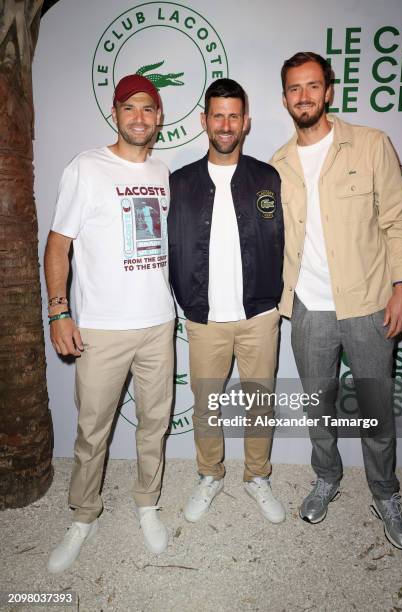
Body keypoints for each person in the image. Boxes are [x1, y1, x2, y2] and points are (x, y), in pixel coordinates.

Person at [270, 52, 402, 549]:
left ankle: (385, 492)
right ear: (285, 97)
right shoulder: (279, 164)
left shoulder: (371, 144)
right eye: (295, 88)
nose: (304, 96)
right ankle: (327, 477)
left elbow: (398, 221)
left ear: (329, 91)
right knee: (319, 407)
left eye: (313, 86)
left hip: (368, 303)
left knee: (375, 409)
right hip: (308, 308)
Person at [44, 74, 175, 573]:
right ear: (115, 113)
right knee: (92, 430)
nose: (139, 117)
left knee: (154, 423)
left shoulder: (163, 172)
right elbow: (58, 243)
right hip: (100, 327)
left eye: (148, 109)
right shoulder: (86, 167)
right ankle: (84, 514)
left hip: (158, 323)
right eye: (130, 108)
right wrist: (59, 311)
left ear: (158, 117)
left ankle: (147, 502)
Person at [168, 78, 285, 524]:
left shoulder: (266, 177)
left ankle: (257, 476)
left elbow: (285, 240)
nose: (225, 124)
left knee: (260, 400)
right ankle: (209, 475)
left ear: (246, 122)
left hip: (258, 314)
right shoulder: (179, 183)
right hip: (204, 318)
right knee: (206, 404)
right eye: (217, 115)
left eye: (234, 115)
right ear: (204, 120)